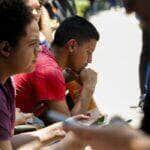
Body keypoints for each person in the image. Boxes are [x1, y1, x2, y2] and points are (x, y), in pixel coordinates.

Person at [14, 15, 102, 125]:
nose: (90, 60)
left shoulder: (45, 53)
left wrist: (65, 78)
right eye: (88, 52)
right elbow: (69, 128)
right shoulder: (50, 71)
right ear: (72, 46)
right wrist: (89, 87)